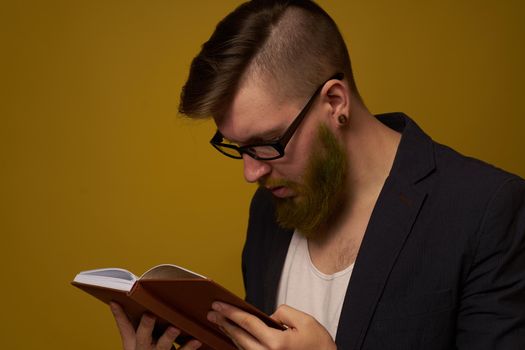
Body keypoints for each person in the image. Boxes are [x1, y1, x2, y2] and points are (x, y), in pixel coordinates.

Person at [110, 0, 525, 349]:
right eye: (236, 148)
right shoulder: (270, 207)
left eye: (267, 142)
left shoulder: (487, 211)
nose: (251, 173)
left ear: (335, 101)